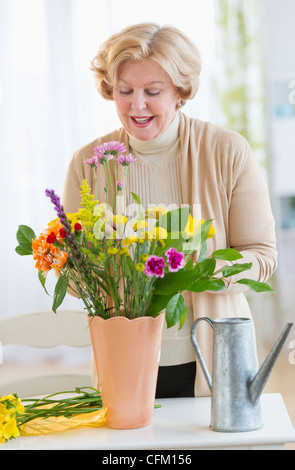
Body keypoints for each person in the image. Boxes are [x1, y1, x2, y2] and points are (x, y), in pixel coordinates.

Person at [62, 23, 277, 397]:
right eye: (125, 91)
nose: (137, 105)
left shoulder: (226, 152)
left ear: (180, 92)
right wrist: (97, 274)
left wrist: (202, 270)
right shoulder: (88, 164)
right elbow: (71, 265)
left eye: (153, 91)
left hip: (214, 356)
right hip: (124, 360)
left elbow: (262, 254)